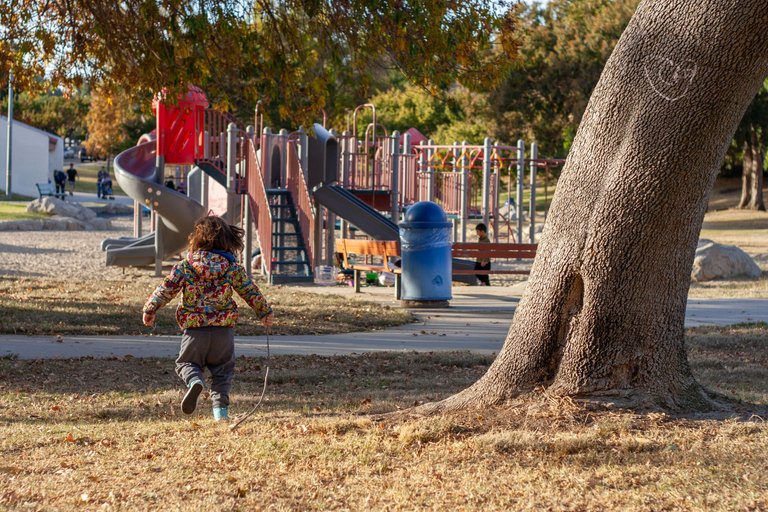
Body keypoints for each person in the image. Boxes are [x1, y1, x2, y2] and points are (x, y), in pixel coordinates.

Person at [142, 216, 274, 421]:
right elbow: (249, 291)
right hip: (224, 332)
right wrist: (264, 312)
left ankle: (195, 381)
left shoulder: (186, 267)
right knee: (222, 373)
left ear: (197, 239)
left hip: (195, 332)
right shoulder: (232, 268)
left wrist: (150, 308)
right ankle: (220, 414)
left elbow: (166, 289)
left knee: (186, 364)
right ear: (227, 241)